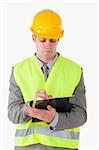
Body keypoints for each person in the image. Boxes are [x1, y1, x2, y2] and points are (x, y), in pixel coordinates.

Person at [8, 9, 87, 150]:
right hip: (28, 147)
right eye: (42, 40)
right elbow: (12, 114)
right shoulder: (19, 70)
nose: (48, 45)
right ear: (34, 38)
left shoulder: (75, 70)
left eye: (52, 40)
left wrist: (54, 118)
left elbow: (81, 115)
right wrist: (31, 107)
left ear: (59, 38)